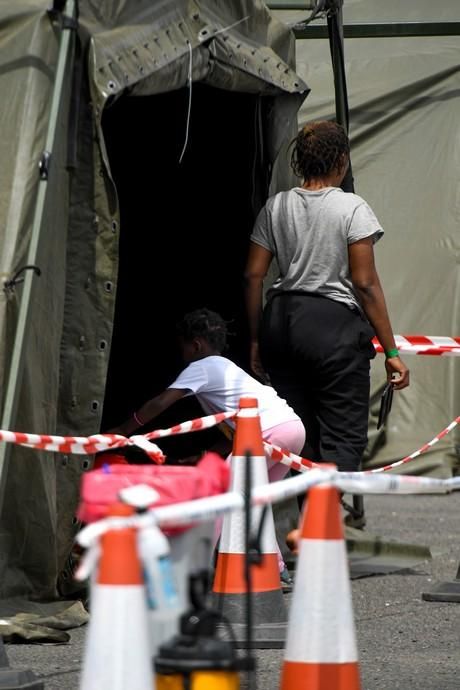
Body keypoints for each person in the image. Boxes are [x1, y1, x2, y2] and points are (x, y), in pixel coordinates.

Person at [244, 119, 409, 479]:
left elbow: (253, 275)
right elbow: (365, 283)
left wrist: (256, 339)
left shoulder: (276, 206)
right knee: (343, 438)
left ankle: (305, 525)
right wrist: (392, 352)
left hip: (281, 325)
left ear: (301, 161)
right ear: (342, 162)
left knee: (301, 437)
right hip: (332, 329)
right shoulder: (352, 208)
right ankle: (315, 529)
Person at [109, 307, 306, 586]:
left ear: (196, 344)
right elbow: (239, 430)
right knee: (254, 502)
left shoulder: (201, 367)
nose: (182, 355)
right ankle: (277, 570)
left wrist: (124, 429)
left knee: (218, 496)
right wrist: (205, 455)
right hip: (293, 429)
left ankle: (194, 571)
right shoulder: (228, 370)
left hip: (267, 431)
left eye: (183, 348)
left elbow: (161, 402)